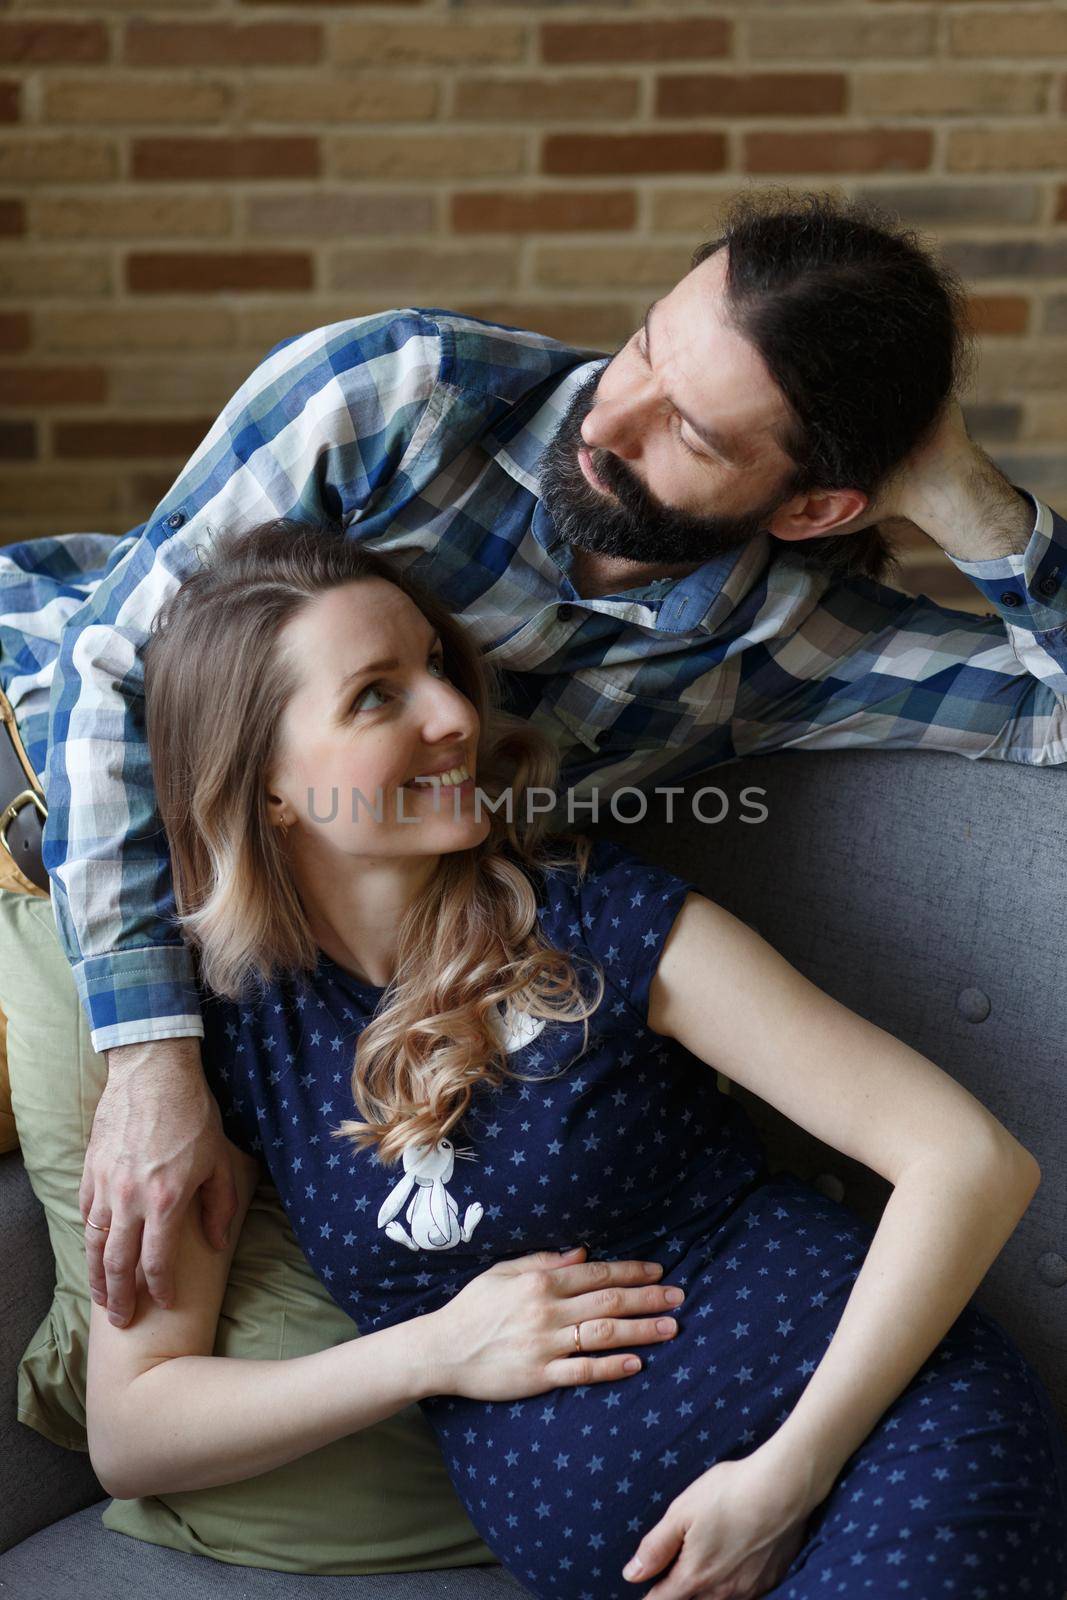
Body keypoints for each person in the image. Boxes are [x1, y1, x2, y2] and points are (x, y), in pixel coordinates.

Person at [0, 189, 1065, 1333]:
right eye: (644, 350)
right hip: (47, 781)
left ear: (811, 507)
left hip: (275, 951)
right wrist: (151, 1061)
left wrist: (964, 495)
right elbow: (117, 668)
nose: (610, 424)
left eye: (691, 435)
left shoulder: (798, 641)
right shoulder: (394, 396)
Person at [85, 519, 1067, 1600]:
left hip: (883, 1444)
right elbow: (134, 1429)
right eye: (375, 694)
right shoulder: (225, 1039)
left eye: (435, 666)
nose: (454, 714)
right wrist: (435, 1349)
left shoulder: (595, 916)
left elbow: (967, 1158)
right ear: (265, 782)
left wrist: (787, 1475)